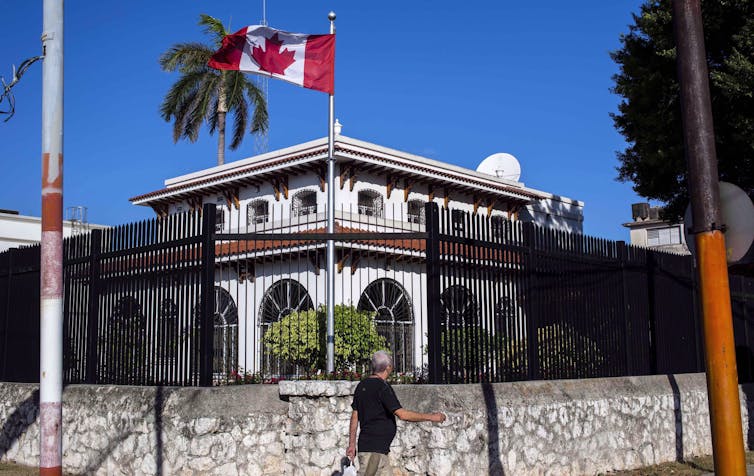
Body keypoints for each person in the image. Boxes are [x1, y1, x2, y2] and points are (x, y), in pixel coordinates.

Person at [346, 350, 446, 475]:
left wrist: (351, 444)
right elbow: (402, 414)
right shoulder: (382, 387)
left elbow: (355, 417)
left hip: (377, 450)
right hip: (373, 451)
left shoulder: (361, 386)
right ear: (388, 367)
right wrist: (432, 417)